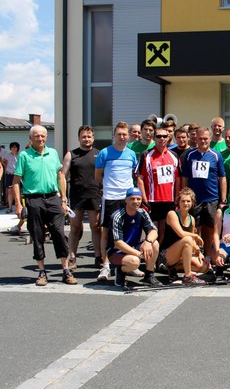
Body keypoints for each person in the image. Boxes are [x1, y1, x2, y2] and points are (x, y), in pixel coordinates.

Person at [13, 125, 77, 286]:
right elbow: (15, 182)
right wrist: (18, 206)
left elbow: (60, 176)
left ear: (46, 137)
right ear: (31, 138)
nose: (40, 139)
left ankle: (66, 270)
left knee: (59, 233)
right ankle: (42, 272)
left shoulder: (53, 153)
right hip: (33, 199)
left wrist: (63, 199)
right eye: (37, 136)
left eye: (43, 136)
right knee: (37, 235)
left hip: (53, 198)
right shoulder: (24, 156)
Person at [95, 122, 139, 280]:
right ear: (114, 135)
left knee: (128, 231)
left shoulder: (132, 154)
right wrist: (107, 188)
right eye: (119, 134)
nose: (122, 137)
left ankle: (129, 263)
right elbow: (98, 175)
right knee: (106, 231)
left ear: (128, 136)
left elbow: (133, 174)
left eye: (124, 134)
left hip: (126, 199)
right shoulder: (104, 153)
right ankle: (105, 266)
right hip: (110, 198)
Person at [180, 126, 227, 261]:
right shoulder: (189, 155)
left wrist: (223, 199)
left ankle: (207, 255)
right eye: (200, 139)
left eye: (205, 139)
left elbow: (222, 178)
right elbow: (185, 177)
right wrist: (184, 195)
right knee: (194, 228)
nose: (203, 141)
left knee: (210, 229)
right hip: (194, 199)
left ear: (210, 139)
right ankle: (194, 255)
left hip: (211, 198)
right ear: (196, 139)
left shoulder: (216, 155)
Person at [61, 125, 101, 270]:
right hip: (77, 197)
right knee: (75, 227)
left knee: (96, 227)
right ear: (79, 138)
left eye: (89, 136)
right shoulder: (71, 155)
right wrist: (63, 197)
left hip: (94, 195)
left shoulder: (99, 154)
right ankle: (72, 257)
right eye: (84, 137)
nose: (86, 139)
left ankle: (98, 257)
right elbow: (62, 176)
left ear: (93, 138)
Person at [108, 187, 161, 288]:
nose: (136, 201)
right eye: (132, 199)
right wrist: (138, 254)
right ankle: (120, 271)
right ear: (126, 200)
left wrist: (148, 241)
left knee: (155, 244)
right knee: (134, 262)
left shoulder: (142, 212)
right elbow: (118, 243)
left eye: (138, 199)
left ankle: (149, 275)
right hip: (117, 252)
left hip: (134, 247)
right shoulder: (117, 216)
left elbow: (154, 231)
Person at [136, 126, 181, 244]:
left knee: (165, 230)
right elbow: (140, 179)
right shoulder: (146, 155)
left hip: (169, 200)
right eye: (159, 136)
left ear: (168, 137)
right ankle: (152, 255)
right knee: (153, 230)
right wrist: (144, 200)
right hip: (152, 200)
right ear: (154, 138)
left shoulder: (174, 156)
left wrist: (177, 198)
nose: (162, 138)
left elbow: (178, 179)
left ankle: (160, 256)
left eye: (164, 136)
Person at [160, 188, 208, 285]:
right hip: (167, 254)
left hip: (181, 253)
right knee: (187, 239)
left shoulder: (192, 219)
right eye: (183, 201)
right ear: (178, 202)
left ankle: (174, 268)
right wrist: (195, 235)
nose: (185, 203)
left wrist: (199, 252)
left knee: (203, 267)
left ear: (192, 203)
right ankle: (188, 276)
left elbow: (192, 242)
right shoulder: (172, 214)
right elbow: (181, 234)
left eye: (188, 201)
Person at [2, 142, 19, 213]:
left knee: (18, 191)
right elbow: (3, 161)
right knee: (9, 191)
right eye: (12, 147)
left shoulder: (20, 155)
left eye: (15, 147)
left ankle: (18, 206)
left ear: (18, 148)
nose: (14, 148)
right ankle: (10, 207)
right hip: (9, 174)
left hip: (17, 175)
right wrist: (6, 167)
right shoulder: (7, 155)